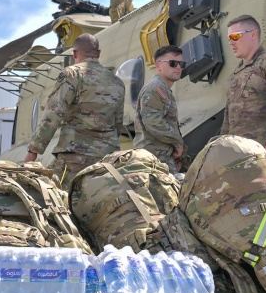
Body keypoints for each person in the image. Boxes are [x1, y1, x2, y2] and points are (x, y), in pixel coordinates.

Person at [26, 33, 126, 188]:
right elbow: (118, 122)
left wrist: (33, 151)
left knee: (59, 199)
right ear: (98, 53)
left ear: (74, 53)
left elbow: (53, 115)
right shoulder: (117, 82)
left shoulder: (71, 74)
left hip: (75, 156)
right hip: (106, 159)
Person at [221, 14, 266, 164]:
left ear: (253, 34)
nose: (231, 42)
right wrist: (222, 145)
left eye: (235, 36)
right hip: (236, 152)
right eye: (229, 38)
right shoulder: (236, 73)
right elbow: (229, 114)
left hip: (261, 150)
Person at [134, 45, 186, 172]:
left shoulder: (162, 88)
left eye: (181, 63)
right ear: (158, 66)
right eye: (173, 63)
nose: (178, 67)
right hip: (155, 159)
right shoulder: (156, 88)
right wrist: (177, 142)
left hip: (160, 157)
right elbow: (152, 121)